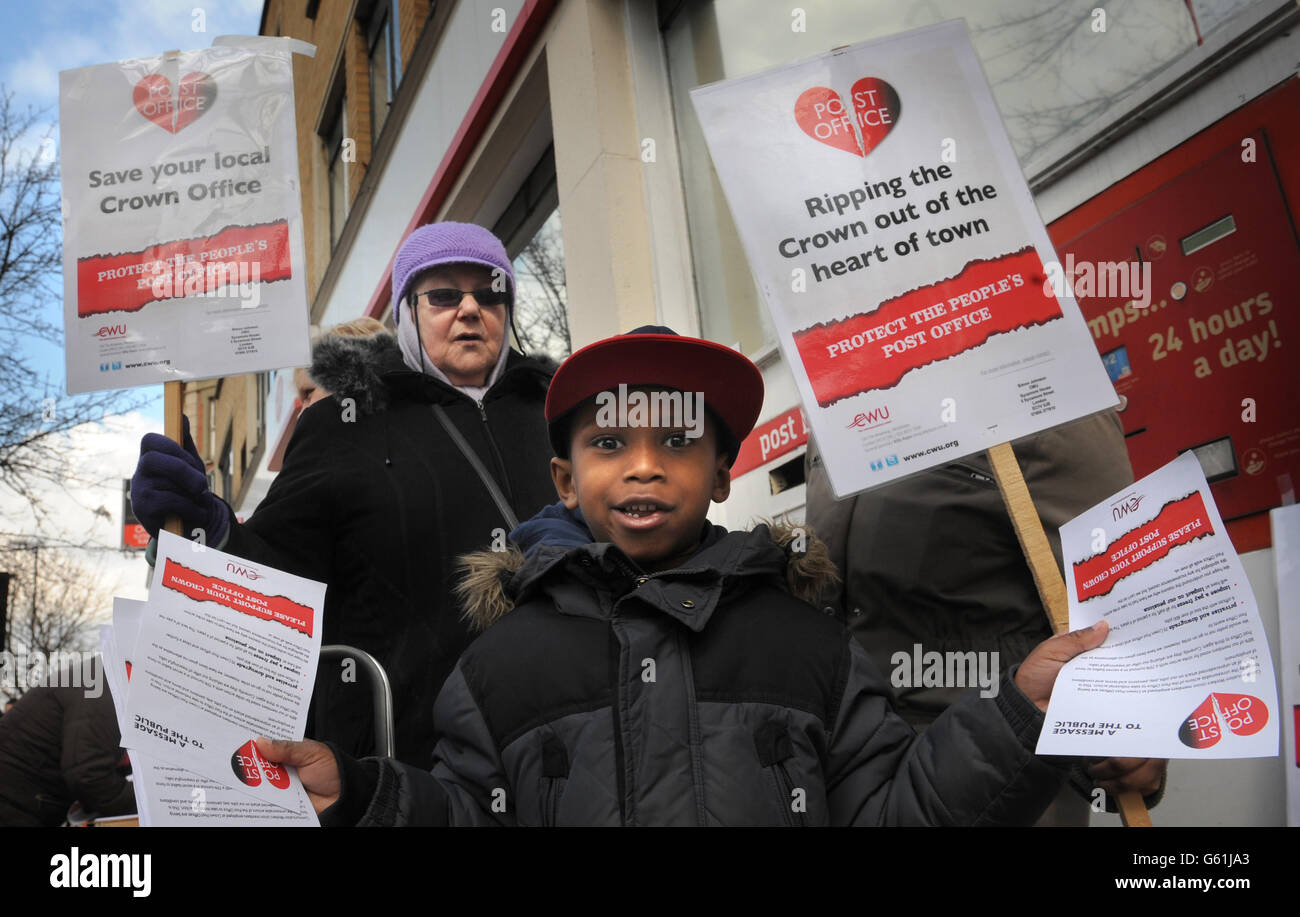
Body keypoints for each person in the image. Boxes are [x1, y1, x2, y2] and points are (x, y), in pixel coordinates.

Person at [259, 326, 1115, 826]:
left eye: (677, 441)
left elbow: (897, 811)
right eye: (607, 443)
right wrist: (364, 793)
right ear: (563, 481)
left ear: (722, 474)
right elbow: (462, 810)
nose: (642, 467)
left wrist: (1020, 716)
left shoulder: (810, 645)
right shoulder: (497, 665)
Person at [131, 222, 559, 768]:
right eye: (445, 294)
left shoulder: (558, 417)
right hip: (410, 766)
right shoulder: (344, 423)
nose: (471, 309)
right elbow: (277, 579)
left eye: (491, 292)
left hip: (565, 751)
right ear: (407, 311)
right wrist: (206, 527)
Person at [804, 413, 1167, 822]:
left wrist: (1139, 726)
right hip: (846, 773)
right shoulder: (834, 409)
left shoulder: (1047, 393)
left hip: (999, 776)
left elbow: (1119, 597)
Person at [0, 677, 135, 826]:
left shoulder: (106, 682)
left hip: (28, 802)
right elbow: (89, 776)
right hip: (15, 805)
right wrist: (152, 799)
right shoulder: (106, 688)